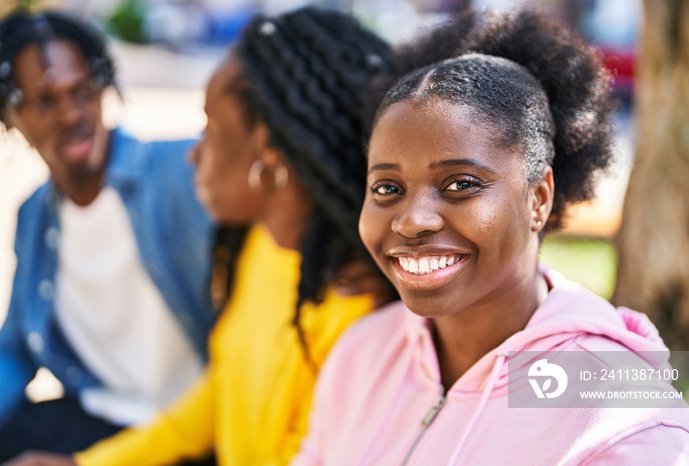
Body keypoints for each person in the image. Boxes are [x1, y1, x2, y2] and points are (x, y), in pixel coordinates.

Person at [292, 9, 689, 465]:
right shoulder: (363, 353)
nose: (411, 221)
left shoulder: (621, 414)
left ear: (538, 198)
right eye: (388, 189)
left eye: (460, 184)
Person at [2, 6, 396, 466]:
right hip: (133, 425)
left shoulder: (354, 310)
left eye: (208, 128)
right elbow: (218, 395)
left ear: (266, 156)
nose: (194, 152)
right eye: (44, 101)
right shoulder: (259, 250)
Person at [0, 8, 215, 460]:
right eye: (44, 101)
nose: (71, 114)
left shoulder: (184, 173)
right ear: (11, 114)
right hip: (100, 414)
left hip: (193, 426)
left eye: (82, 91)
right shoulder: (35, 215)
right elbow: (16, 349)